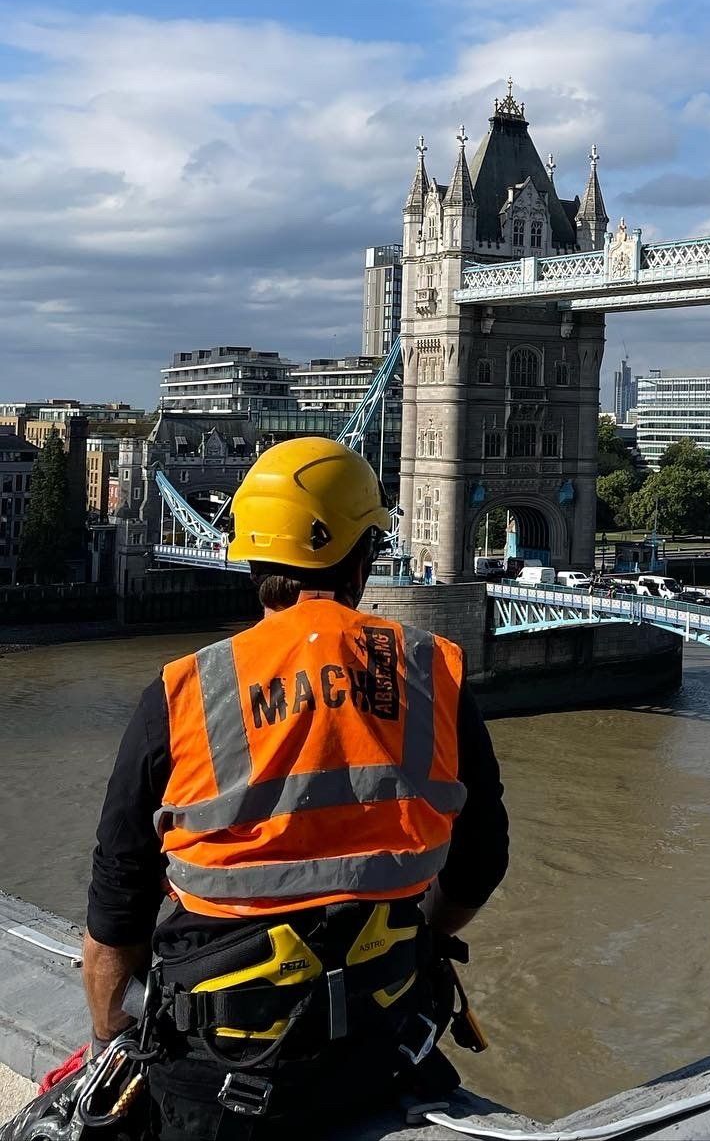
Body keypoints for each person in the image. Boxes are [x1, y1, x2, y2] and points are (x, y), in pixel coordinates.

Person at [78, 438, 509, 1139]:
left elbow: (116, 907)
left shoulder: (186, 689)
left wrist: (108, 1037)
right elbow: (483, 859)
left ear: (252, 556)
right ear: (364, 556)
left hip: (213, 1078)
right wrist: (417, 933)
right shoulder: (430, 670)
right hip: (380, 1047)